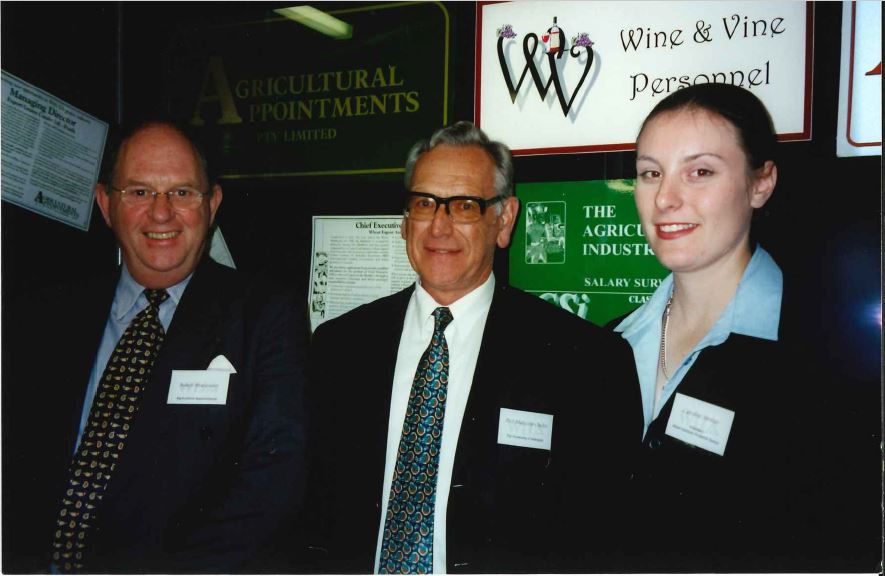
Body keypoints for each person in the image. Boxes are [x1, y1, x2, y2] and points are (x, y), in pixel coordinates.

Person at [307, 121, 639, 573]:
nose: (438, 227)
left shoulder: (582, 360)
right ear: (406, 221)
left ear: (504, 221)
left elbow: (600, 539)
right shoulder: (338, 348)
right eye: (424, 203)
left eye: (464, 206)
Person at [1, 121, 308, 573]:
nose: (161, 214)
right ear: (106, 204)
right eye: (139, 192)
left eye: (182, 193)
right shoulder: (40, 316)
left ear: (213, 204)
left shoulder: (264, 317)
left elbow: (271, 488)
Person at [613, 83, 837, 570]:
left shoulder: (829, 359)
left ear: (761, 183)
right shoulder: (608, 346)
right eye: (651, 173)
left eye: (700, 172)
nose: (665, 199)